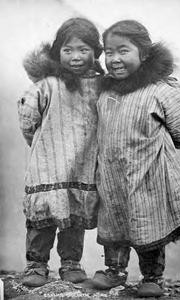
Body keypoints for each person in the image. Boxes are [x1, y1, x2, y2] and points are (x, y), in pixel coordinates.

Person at [92, 20, 180, 297]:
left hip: (148, 173)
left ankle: (153, 277)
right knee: (113, 219)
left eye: (123, 51)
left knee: (147, 221)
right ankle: (114, 271)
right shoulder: (105, 91)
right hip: (112, 174)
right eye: (109, 51)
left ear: (144, 54)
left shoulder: (160, 90)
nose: (114, 59)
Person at [17, 17, 104, 287]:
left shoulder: (101, 85)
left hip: (82, 165)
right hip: (47, 165)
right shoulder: (47, 85)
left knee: (74, 217)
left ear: (95, 52)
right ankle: (36, 265)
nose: (76, 57)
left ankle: (70, 264)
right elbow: (28, 121)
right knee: (42, 219)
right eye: (68, 50)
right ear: (58, 52)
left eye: (83, 49)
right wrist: (44, 147)